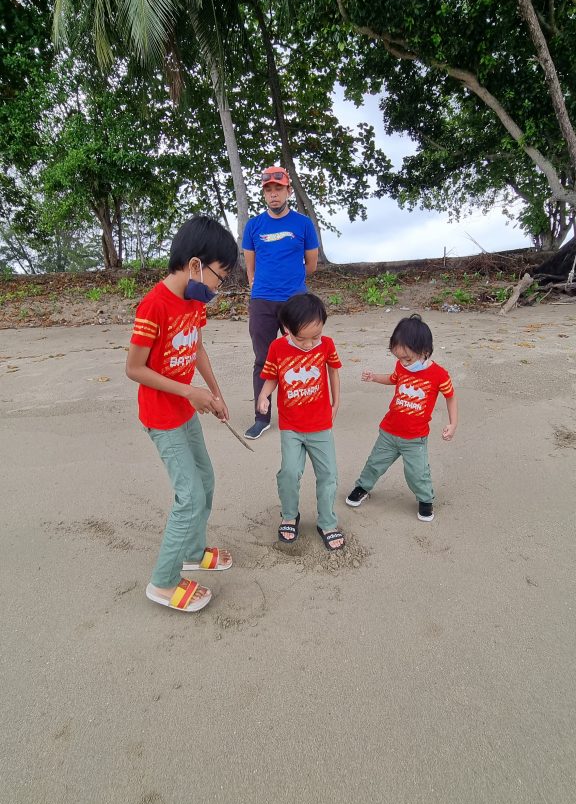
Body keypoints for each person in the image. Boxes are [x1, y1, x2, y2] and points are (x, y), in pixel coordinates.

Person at [125, 216, 238, 613]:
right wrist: (190, 391)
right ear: (194, 265)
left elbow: (198, 349)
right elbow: (134, 368)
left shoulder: (194, 302)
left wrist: (216, 393)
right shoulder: (154, 305)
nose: (218, 288)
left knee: (205, 477)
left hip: (185, 408)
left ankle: (192, 550)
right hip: (161, 415)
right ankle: (164, 581)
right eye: (219, 277)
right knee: (188, 495)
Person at [346, 314, 458, 521]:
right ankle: (362, 487)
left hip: (415, 438)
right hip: (389, 431)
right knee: (374, 463)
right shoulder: (401, 367)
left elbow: (450, 397)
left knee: (417, 473)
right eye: (399, 358)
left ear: (425, 351)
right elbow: (393, 379)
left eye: (407, 358)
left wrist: (452, 424)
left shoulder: (439, 375)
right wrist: (374, 378)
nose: (403, 363)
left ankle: (425, 499)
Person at [257, 292, 345, 551]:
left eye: (315, 337)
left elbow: (334, 370)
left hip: (320, 424)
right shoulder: (277, 348)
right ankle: (289, 515)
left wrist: (336, 402)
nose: (309, 345)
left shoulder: (326, 345)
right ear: (286, 329)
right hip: (292, 426)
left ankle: (327, 522)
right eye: (301, 338)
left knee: (328, 474)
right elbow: (272, 376)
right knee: (290, 472)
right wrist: (264, 395)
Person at [242, 166, 319, 440]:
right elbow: (250, 267)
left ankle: (299, 410)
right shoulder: (253, 226)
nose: (273, 195)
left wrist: (291, 283)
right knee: (264, 359)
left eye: (278, 189)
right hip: (262, 301)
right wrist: (259, 284)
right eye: (268, 191)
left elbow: (311, 265)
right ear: (264, 194)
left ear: (288, 191)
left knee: (299, 356)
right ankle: (261, 416)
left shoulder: (303, 224)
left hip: (295, 301)